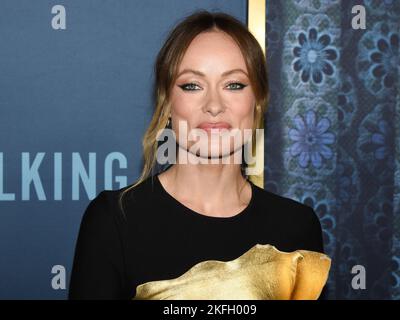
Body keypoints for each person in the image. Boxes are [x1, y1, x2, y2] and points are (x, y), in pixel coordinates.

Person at [68, 10, 330, 300]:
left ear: (257, 102)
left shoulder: (296, 227)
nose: (214, 105)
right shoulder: (114, 221)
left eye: (234, 85)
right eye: (192, 85)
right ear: (167, 103)